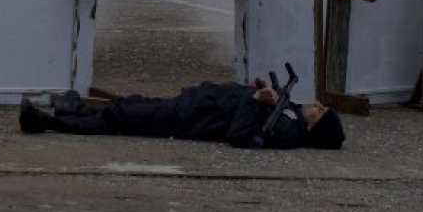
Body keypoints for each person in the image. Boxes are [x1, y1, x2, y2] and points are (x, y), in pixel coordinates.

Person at [18, 79, 346, 150]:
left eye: (319, 111)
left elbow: (240, 135)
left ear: (315, 125)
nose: (315, 104)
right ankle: (71, 108)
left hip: (191, 119)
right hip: (196, 105)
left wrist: (255, 100)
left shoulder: (289, 132)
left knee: (119, 118)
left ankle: (45, 122)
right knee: (131, 103)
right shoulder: (290, 114)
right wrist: (256, 91)